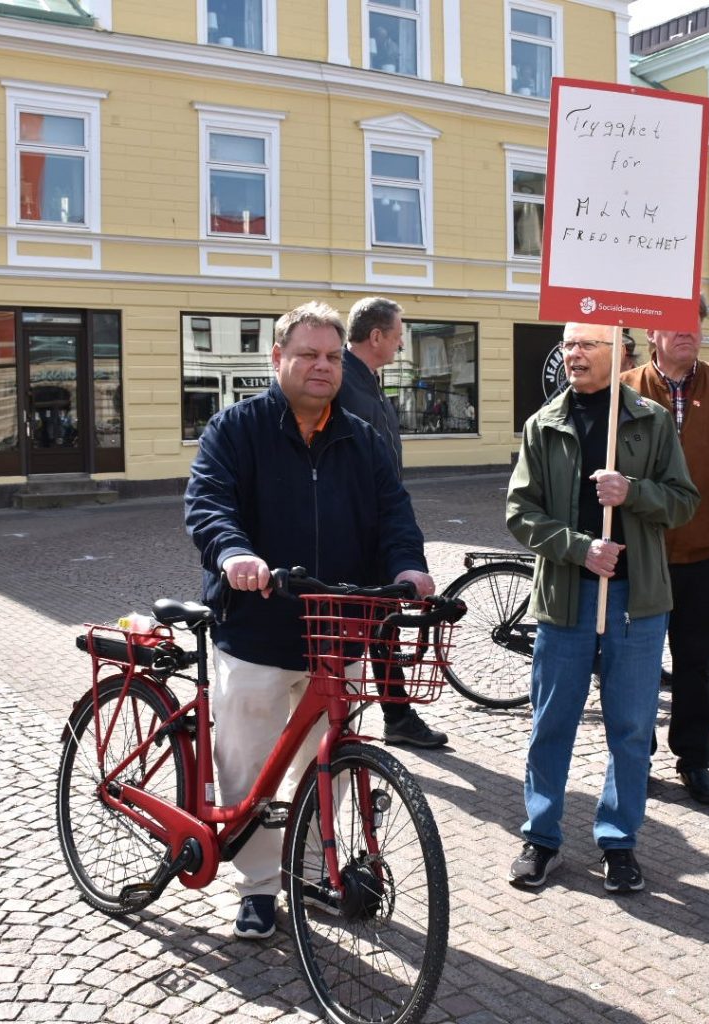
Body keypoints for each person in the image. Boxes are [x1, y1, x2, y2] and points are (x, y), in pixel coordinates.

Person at [184, 301, 435, 940]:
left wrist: (409, 567)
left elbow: (394, 514)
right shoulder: (235, 430)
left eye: (330, 356)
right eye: (308, 355)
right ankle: (259, 888)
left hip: (338, 629)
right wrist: (235, 553)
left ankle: (313, 867)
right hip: (258, 630)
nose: (322, 366)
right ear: (277, 360)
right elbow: (209, 502)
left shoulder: (362, 437)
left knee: (334, 762)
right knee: (249, 762)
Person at [506, 322, 699, 893]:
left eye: (588, 344)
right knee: (552, 721)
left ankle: (618, 842)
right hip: (566, 597)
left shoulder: (651, 421)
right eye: (569, 344)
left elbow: (685, 503)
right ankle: (541, 838)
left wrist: (632, 492)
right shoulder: (544, 425)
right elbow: (520, 513)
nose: (574, 354)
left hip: (637, 601)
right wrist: (579, 547)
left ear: (620, 353)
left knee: (632, 726)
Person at [621, 296, 709, 806]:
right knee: (632, 667)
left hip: (703, 552)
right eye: (673, 324)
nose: (686, 332)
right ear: (651, 332)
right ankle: (634, 758)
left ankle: (694, 759)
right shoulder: (626, 389)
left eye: (694, 323)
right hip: (638, 556)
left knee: (694, 665)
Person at [340, 295, 447, 749]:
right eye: (399, 336)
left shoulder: (368, 382)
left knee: (380, 624)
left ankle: (396, 716)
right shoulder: (343, 383)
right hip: (352, 532)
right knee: (355, 628)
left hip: (377, 526)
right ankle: (355, 721)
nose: (402, 346)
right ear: (377, 335)